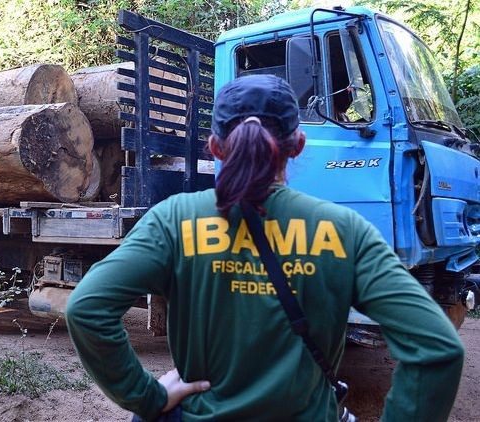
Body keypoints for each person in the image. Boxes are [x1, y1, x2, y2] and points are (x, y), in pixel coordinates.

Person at [66, 74, 464, 421]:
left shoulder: (174, 219)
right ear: (299, 144)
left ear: (215, 147)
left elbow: (87, 309)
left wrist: (148, 397)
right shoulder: (345, 230)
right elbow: (436, 350)